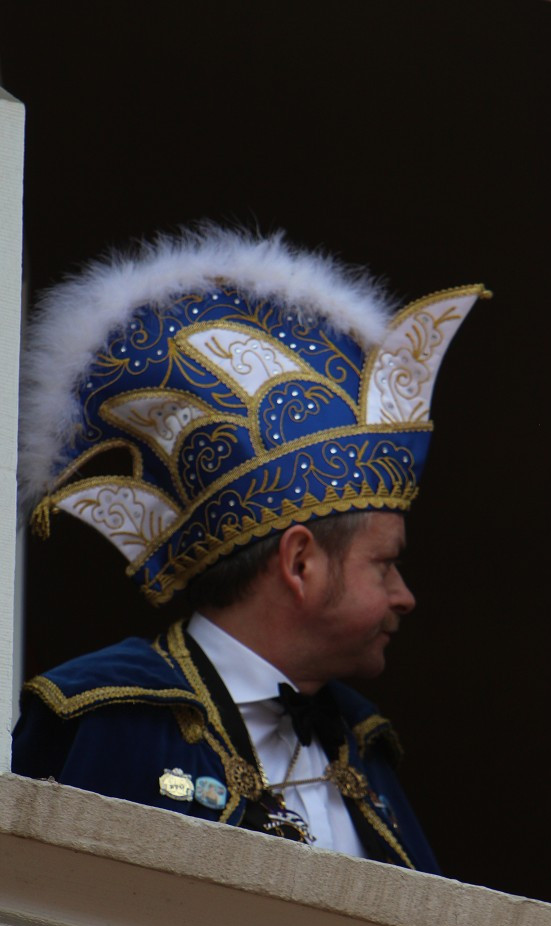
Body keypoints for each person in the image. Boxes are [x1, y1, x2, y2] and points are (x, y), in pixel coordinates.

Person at [12, 225, 490, 872]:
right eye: (384, 563)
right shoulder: (108, 717)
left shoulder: (364, 748)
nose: (405, 596)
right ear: (299, 563)